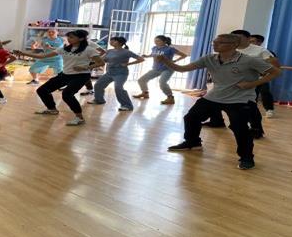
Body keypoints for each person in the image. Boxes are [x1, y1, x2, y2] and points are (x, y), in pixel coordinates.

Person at [158, 34, 282, 169]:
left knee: (239, 128)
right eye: (215, 42)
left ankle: (246, 158)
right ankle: (192, 142)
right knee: (191, 117)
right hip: (215, 96)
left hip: (240, 99)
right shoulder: (209, 58)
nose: (215, 44)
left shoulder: (249, 60)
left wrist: (252, 84)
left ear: (234, 45)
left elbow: (276, 72)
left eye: (220, 42)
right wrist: (166, 61)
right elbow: (182, 69)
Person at [15, 30, 105, 126]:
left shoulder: (89, 50)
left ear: (81, 38)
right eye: (68, 37)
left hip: (81, 75)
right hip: (65, 74)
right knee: (42, 90)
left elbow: (101, 63)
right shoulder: (64, 49)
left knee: (67, 94)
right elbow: (42, 56)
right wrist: (23, 53)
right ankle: (52, 109)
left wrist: (85, 67)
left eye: (72, 37)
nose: (69, 39)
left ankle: (79, 118)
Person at [88, 37, 145, 111]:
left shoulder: (126, 52)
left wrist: (127, 64)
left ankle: (127, 106)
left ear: (120, 43)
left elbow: (141, 59)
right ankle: (99, 100)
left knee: (118, 88)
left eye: (114, 41)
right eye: (111, 41)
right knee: (98, 85)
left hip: (121, 73)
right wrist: (92, 58)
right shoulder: (109, 51)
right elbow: (102, 60)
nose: (111, 42)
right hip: (109, 72)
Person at [133, 35, 187, 105]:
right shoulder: (154, 48)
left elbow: (184, 55)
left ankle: (170, 98)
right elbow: (153, 55)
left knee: (162, 82)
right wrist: (147, 56)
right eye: (155, 40)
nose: (156, 42)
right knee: (141, 80)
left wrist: (175, 61)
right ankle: (145, 93)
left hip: (168, 69)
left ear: (164, 41)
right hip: (156, 68)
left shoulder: (170, 49)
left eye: (158, 41)